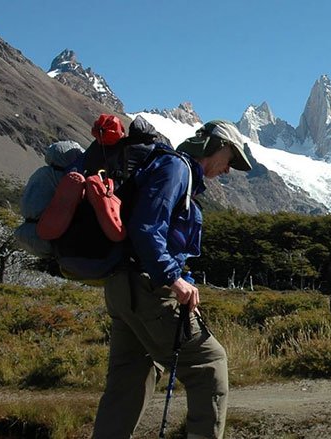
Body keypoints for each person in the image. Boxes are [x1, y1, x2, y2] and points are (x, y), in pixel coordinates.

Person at [92, 120, 252, 439]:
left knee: (129, 380)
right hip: (148, 286)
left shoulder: (170, 169)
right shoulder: (177, 170)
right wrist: (174, 279)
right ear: (217, 147)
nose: (229, 170)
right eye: (230, 159)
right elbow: (146, 227)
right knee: (210, 364)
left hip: (122, 288)